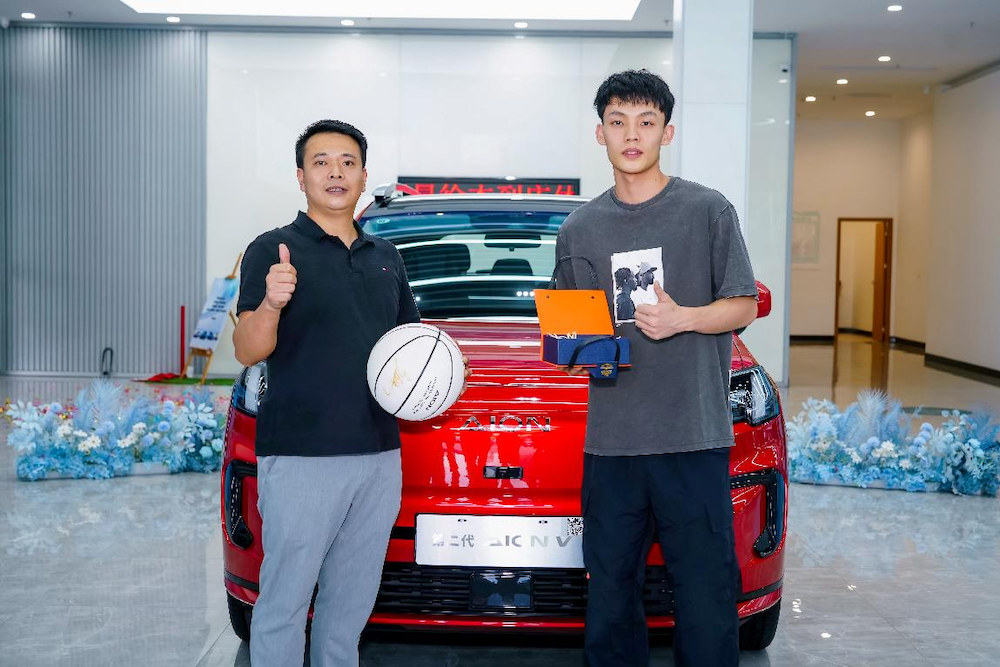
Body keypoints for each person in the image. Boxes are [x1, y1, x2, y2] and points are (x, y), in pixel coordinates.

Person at [555, 70, 758, 667]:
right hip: (612, 444)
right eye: (618, 122)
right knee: (610, 593)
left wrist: (683, 318)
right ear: (600, 133)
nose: (632, 135)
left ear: (667, 132)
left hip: (692, 438)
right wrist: (575, 348)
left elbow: (744, 305)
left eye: (646, 122)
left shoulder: (706, 210)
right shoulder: (579, 228)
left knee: (704, 591)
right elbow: (574, 329)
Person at [233, 119, 420, 667]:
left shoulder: (386, 256)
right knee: (285, 603)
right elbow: (247, 349)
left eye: (347, 162)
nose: (335, 172)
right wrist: (271, 303)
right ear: (301, 176)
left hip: (378, 457)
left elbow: (409, 350)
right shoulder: (273, 250)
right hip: (301, 457)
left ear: (363, 176)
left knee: (349, 609)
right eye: (321, 162)